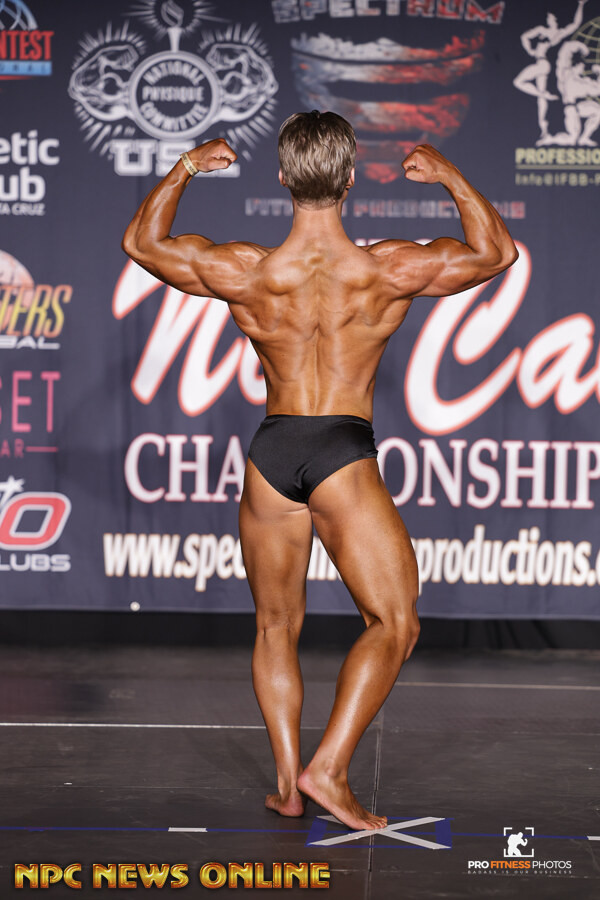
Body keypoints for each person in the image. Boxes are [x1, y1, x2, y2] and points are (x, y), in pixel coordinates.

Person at [122, 111, 517, 832]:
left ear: (282, 177)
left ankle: (288, 785)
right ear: (351, 178)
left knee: (275, 625)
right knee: (394, 622)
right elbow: (496, 254)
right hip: (341, 448)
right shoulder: (387, 269)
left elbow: (142, 244)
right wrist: (450, 177)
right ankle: (326, 769)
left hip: (271, 454)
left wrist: (187, 167)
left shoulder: (248, 271)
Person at [513, 0, 588, 144]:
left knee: (519, 82)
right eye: (548, 17)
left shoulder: (553, 33)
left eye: (551, 18)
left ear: (554, 19)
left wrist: (581, 5)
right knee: (541, 101)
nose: (549, 19)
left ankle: (544, 95)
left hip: (542, 63)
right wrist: (529, 50)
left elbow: (575, 25)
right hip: (543, 64)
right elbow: (525, 37)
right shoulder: (545, 31)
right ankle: (544, 130)